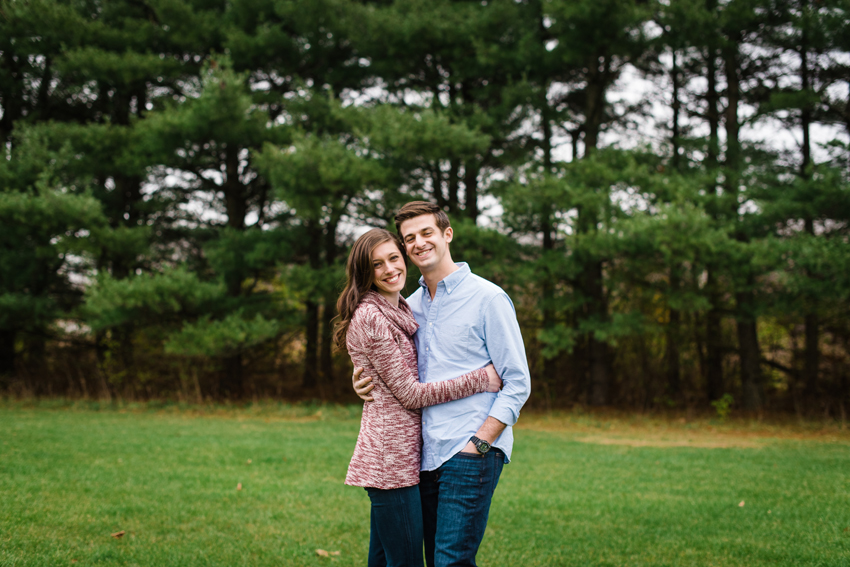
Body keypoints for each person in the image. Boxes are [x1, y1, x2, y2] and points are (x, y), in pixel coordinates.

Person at [353, 202, 532, 567]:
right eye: (410, 238)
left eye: (426, 233)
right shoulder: (409, 306)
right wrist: (359, 378)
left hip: (470, 449)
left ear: (447, 234)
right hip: (422, 454)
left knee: (451, 560)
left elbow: (517, 381)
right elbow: (396, 371)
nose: (418, 243)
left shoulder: (488, 298)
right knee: (434, 559)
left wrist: (481, 441)